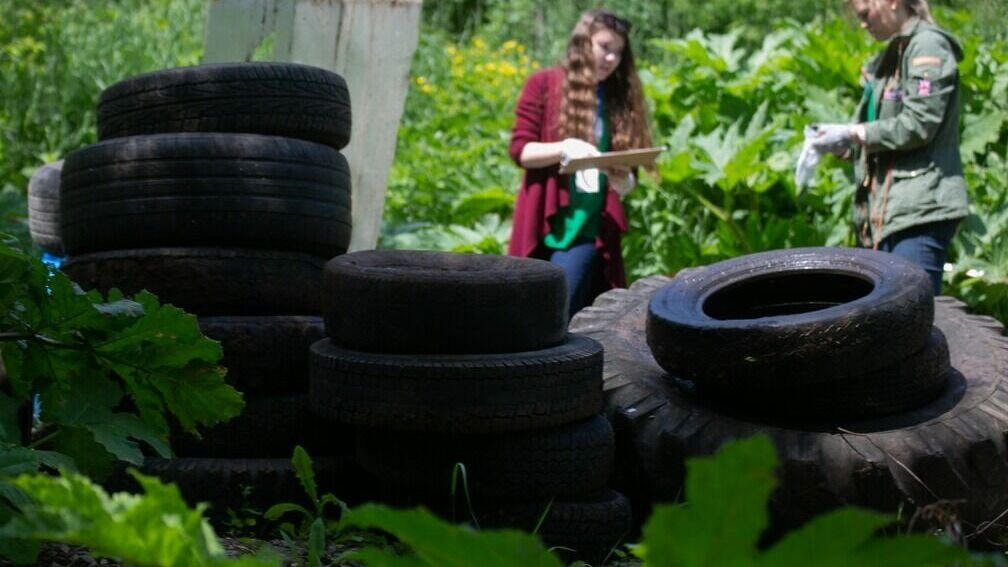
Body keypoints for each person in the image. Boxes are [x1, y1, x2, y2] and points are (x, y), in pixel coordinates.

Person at [811, 0, 969, 295]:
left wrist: (855, 132)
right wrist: (845, 146)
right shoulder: (893, 54)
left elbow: (920, 123)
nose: (863, 24)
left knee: (911, 315)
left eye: (865, 14)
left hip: (920, 208)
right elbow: (887, 139)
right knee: (888, 320)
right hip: (886, 214)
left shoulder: (927, 48)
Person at [507, 8, 652, 317]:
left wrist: (622, 178)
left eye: (619, 52)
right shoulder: (543, 84)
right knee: (521, 313)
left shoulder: (617, 100)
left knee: (557, 313)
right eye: (604, 47)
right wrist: (565, 148)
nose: (611, 59)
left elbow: (627, 184)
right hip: (541, 222)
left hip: (589, 228)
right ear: (583, 43)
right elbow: (522, 152)